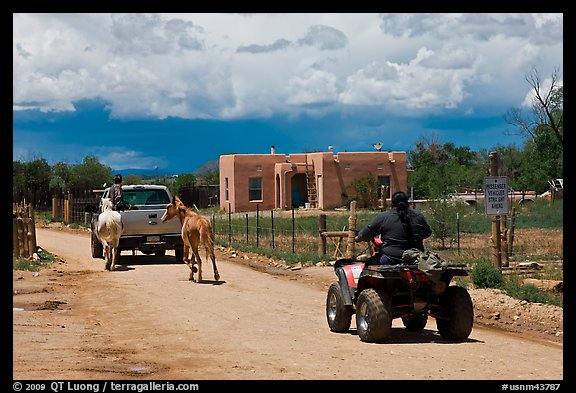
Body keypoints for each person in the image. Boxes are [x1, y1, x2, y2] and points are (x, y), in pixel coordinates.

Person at [355, 191, 432, 265]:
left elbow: (366, 233)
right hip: (416, 259)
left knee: (367, 266)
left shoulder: (384, 217)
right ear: (407, 203)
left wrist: (358, 237)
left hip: (390, 259)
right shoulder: (419, 216)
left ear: (392, 203)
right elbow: (427, 233)